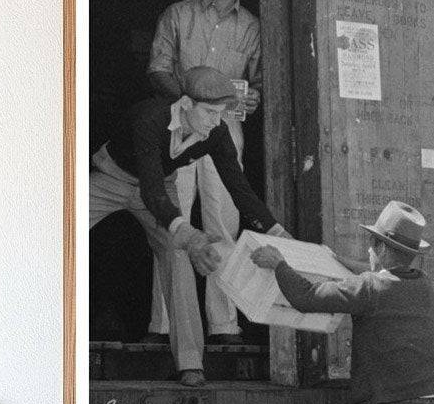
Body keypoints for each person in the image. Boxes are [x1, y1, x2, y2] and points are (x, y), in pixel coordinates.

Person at [90, 66, 289, 387]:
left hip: (160, 190)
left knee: (178, 258)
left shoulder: (217, 132)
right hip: (112, 178)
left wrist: (278, 232)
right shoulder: (150, 118)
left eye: (221, 113)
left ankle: (190, 363)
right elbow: (150, 188)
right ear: (185, 104)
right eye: (210, 112)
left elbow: (239, 189)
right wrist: (187, 231)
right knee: (60, 232)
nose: (215, 121)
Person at [146, 0, 262, 346]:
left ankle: (224, 323)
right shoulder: (178, 14)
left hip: (225, 128)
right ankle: (164, 326)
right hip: (179, 122)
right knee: (173, 223)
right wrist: (190, 96)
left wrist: (254, 97)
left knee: (223, 222)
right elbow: (158, 68)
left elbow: (260, 80)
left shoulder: (252, 27)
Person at [250, 201, 434, 404]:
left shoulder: (369, 288)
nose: (369, 251)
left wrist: (278, 264)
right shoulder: (423, 283)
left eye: (371, 245)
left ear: (381, 249)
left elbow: (304, 296)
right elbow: (381, 274)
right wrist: (336, 260)